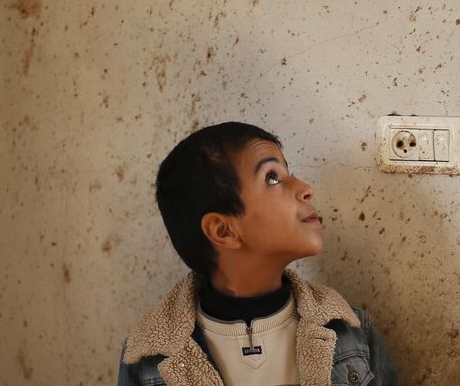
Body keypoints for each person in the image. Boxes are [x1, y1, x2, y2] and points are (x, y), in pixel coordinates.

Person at [117, 122, 399, 386]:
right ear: (223, 231)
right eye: (273, 178)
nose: (305, 189)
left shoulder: (350, 330)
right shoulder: (149, 356)